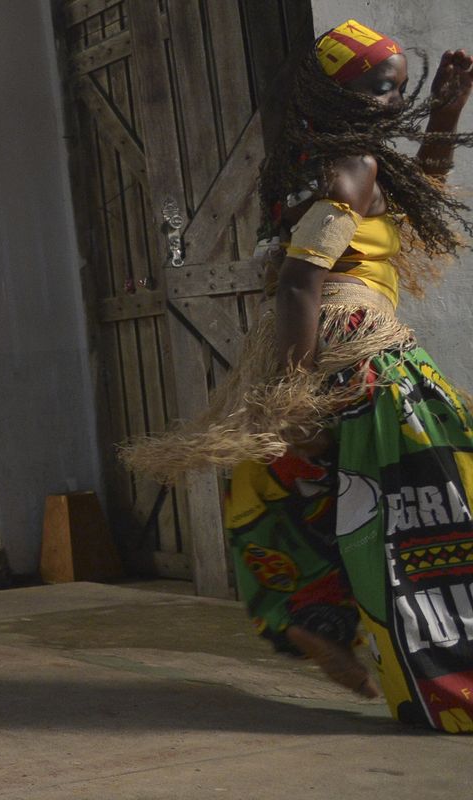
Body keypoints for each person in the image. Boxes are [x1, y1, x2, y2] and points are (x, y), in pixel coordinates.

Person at [124, 21, 473, 731]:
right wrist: (295, 395)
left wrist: (445, 112)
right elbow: (296, 285)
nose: (390, 101)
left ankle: (314, 622)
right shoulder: (351, 169)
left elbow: (417, 200)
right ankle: (440, 684)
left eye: (398, 87)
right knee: (421, 517)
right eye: (379, 88)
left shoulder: (338, 162)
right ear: (337, 94)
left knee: (286, 500)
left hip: (330, 355)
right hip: (363, 362)